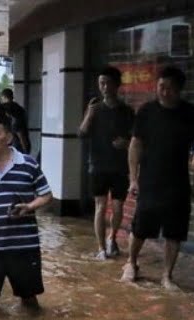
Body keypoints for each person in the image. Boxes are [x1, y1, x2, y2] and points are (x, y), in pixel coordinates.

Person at [122, 66, 194, 290]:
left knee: (174, 231)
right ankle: (131, 262)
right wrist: (133, 179)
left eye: (169, 89)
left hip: (178, 181)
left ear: (179, 90)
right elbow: (135, 145)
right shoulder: (147, 111)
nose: (164, 92)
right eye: (161, 87)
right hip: (150, 179)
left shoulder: (191, 114)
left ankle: (167, 275)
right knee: (141, 226)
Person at [0, 112, 53, 318]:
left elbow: (46, 195)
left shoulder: (28, 165)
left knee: (29, 301)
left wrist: (30, 206)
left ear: (9, 137)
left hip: (24, 245)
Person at [78, 66, 135, 260]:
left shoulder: (126, 111)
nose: (103, 87)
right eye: (101, 83)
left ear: (117, 85)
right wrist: (89, 114)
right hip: (98, 165)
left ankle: (112, 238)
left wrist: (126, 144)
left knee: (118, 206)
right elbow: (82, 133)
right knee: (100, 206)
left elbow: (136, 140)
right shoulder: (95, 108)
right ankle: (101, 248)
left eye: (107, 83)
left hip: (120, 166)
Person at [0, 88, 31, 155]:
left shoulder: (11, 111)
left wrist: (25, 151)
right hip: (19, 145)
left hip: (17, 147)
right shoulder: (19, 108)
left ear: (4, 97)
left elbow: (20, 133)